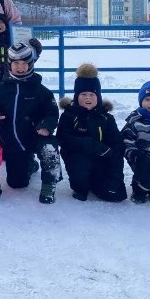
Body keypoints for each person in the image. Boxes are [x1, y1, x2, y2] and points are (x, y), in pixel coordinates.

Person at [0, 43, 61, 204]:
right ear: (10, 65)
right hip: (13, 142)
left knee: (49, 147)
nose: (20, 67)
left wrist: (47, 126)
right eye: (16, 63)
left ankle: (49, 183)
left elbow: (52, 112)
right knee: (17, 184)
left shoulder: (42, 91)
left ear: (30, 64)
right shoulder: (0, 89)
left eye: (24, 63)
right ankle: (30, 164)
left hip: (36, 136)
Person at [56, 63, 127, 202]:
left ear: (98, 96)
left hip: (102, 160)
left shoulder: (106, 117)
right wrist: (91, 145)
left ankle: (98, 182)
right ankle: (81, 186)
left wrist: (116, 178)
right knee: (81, 177)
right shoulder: (69, 115)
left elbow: (118, 145)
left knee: (117, 195)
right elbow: (63, 139)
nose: (88, 98)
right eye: (83, 94)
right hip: (78, 159)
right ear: (76, 96)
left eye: (91, 94)